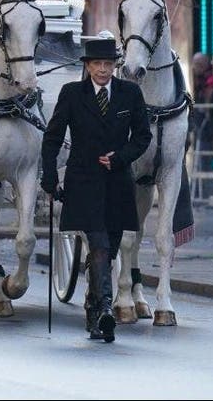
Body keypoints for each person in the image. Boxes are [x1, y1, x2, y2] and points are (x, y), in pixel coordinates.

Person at [41, 37, 152, 343]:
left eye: (108, 64)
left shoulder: (130, 94)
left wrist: (121, 157)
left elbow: (142, 137)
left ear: (115, 65)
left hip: (117, 184)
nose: (103, 70)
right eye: (97, 64)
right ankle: (104, 309)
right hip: (83, 182)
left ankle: (93, 306)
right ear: (87, 66)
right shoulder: (72, 94)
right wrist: (49, 177)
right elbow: (52, 138)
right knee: (100, 245)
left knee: (109, 250)